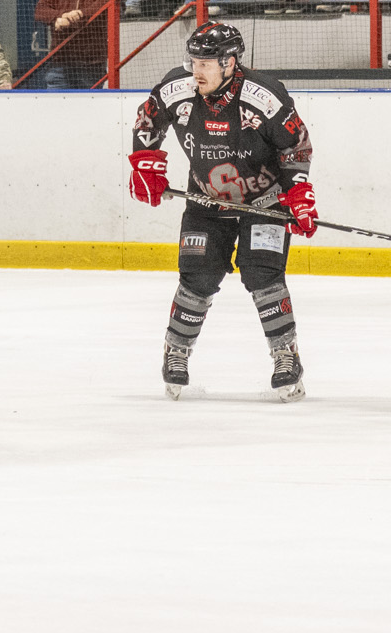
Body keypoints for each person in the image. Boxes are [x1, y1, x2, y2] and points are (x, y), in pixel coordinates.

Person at [126, 20, 323, 399]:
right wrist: (145, 160)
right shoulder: (178, 88)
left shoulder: (264, 96)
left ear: (230, 63)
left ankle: (285, 354)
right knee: (197, 277)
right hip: (205, 201)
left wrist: (298, 190)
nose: (196, 69)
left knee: (263, 274)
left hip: (264, 204)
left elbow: (296, 145)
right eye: (194, 60)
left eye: (206, 62)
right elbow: (147, 118)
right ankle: (176, 351)